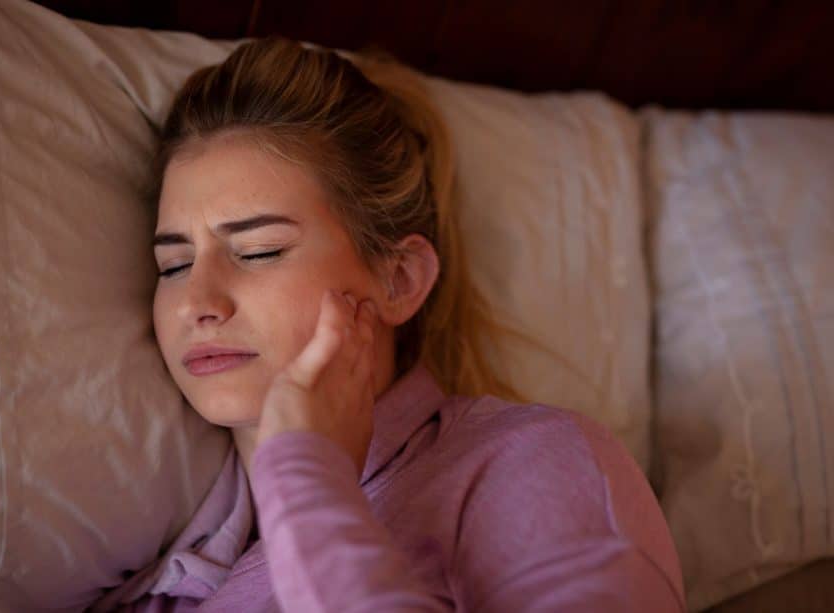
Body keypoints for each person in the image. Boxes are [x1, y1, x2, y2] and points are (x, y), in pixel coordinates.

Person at [98, 36, 686, 612]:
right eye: (173, 264)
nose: (196, 299)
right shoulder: (160, 581)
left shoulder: (535, 462)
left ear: (398, 280)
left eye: (259, 250)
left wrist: (307, 484)